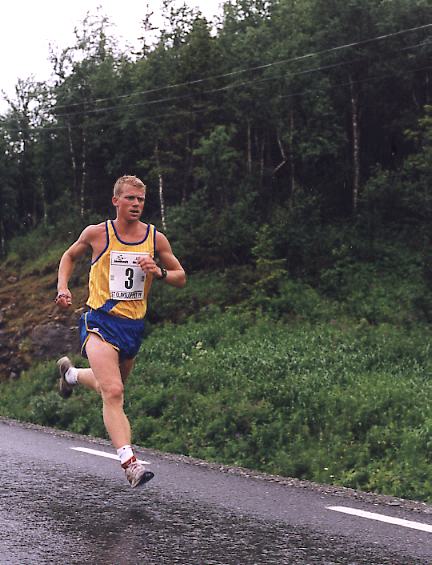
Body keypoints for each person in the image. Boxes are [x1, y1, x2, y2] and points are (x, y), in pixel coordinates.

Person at [55, 175, 186, 487]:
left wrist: (159, 271)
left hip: (132, 327)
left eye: (140, 200)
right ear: (116, 201)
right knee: (113, 391)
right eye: (130, 198)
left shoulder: (155, 238)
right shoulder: (97, 233)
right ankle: (130, 464)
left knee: (109, 387)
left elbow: (181, 277)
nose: (136, 204)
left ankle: (71, 375)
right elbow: (69, 256)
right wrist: (62, 287)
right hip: (99, 320)